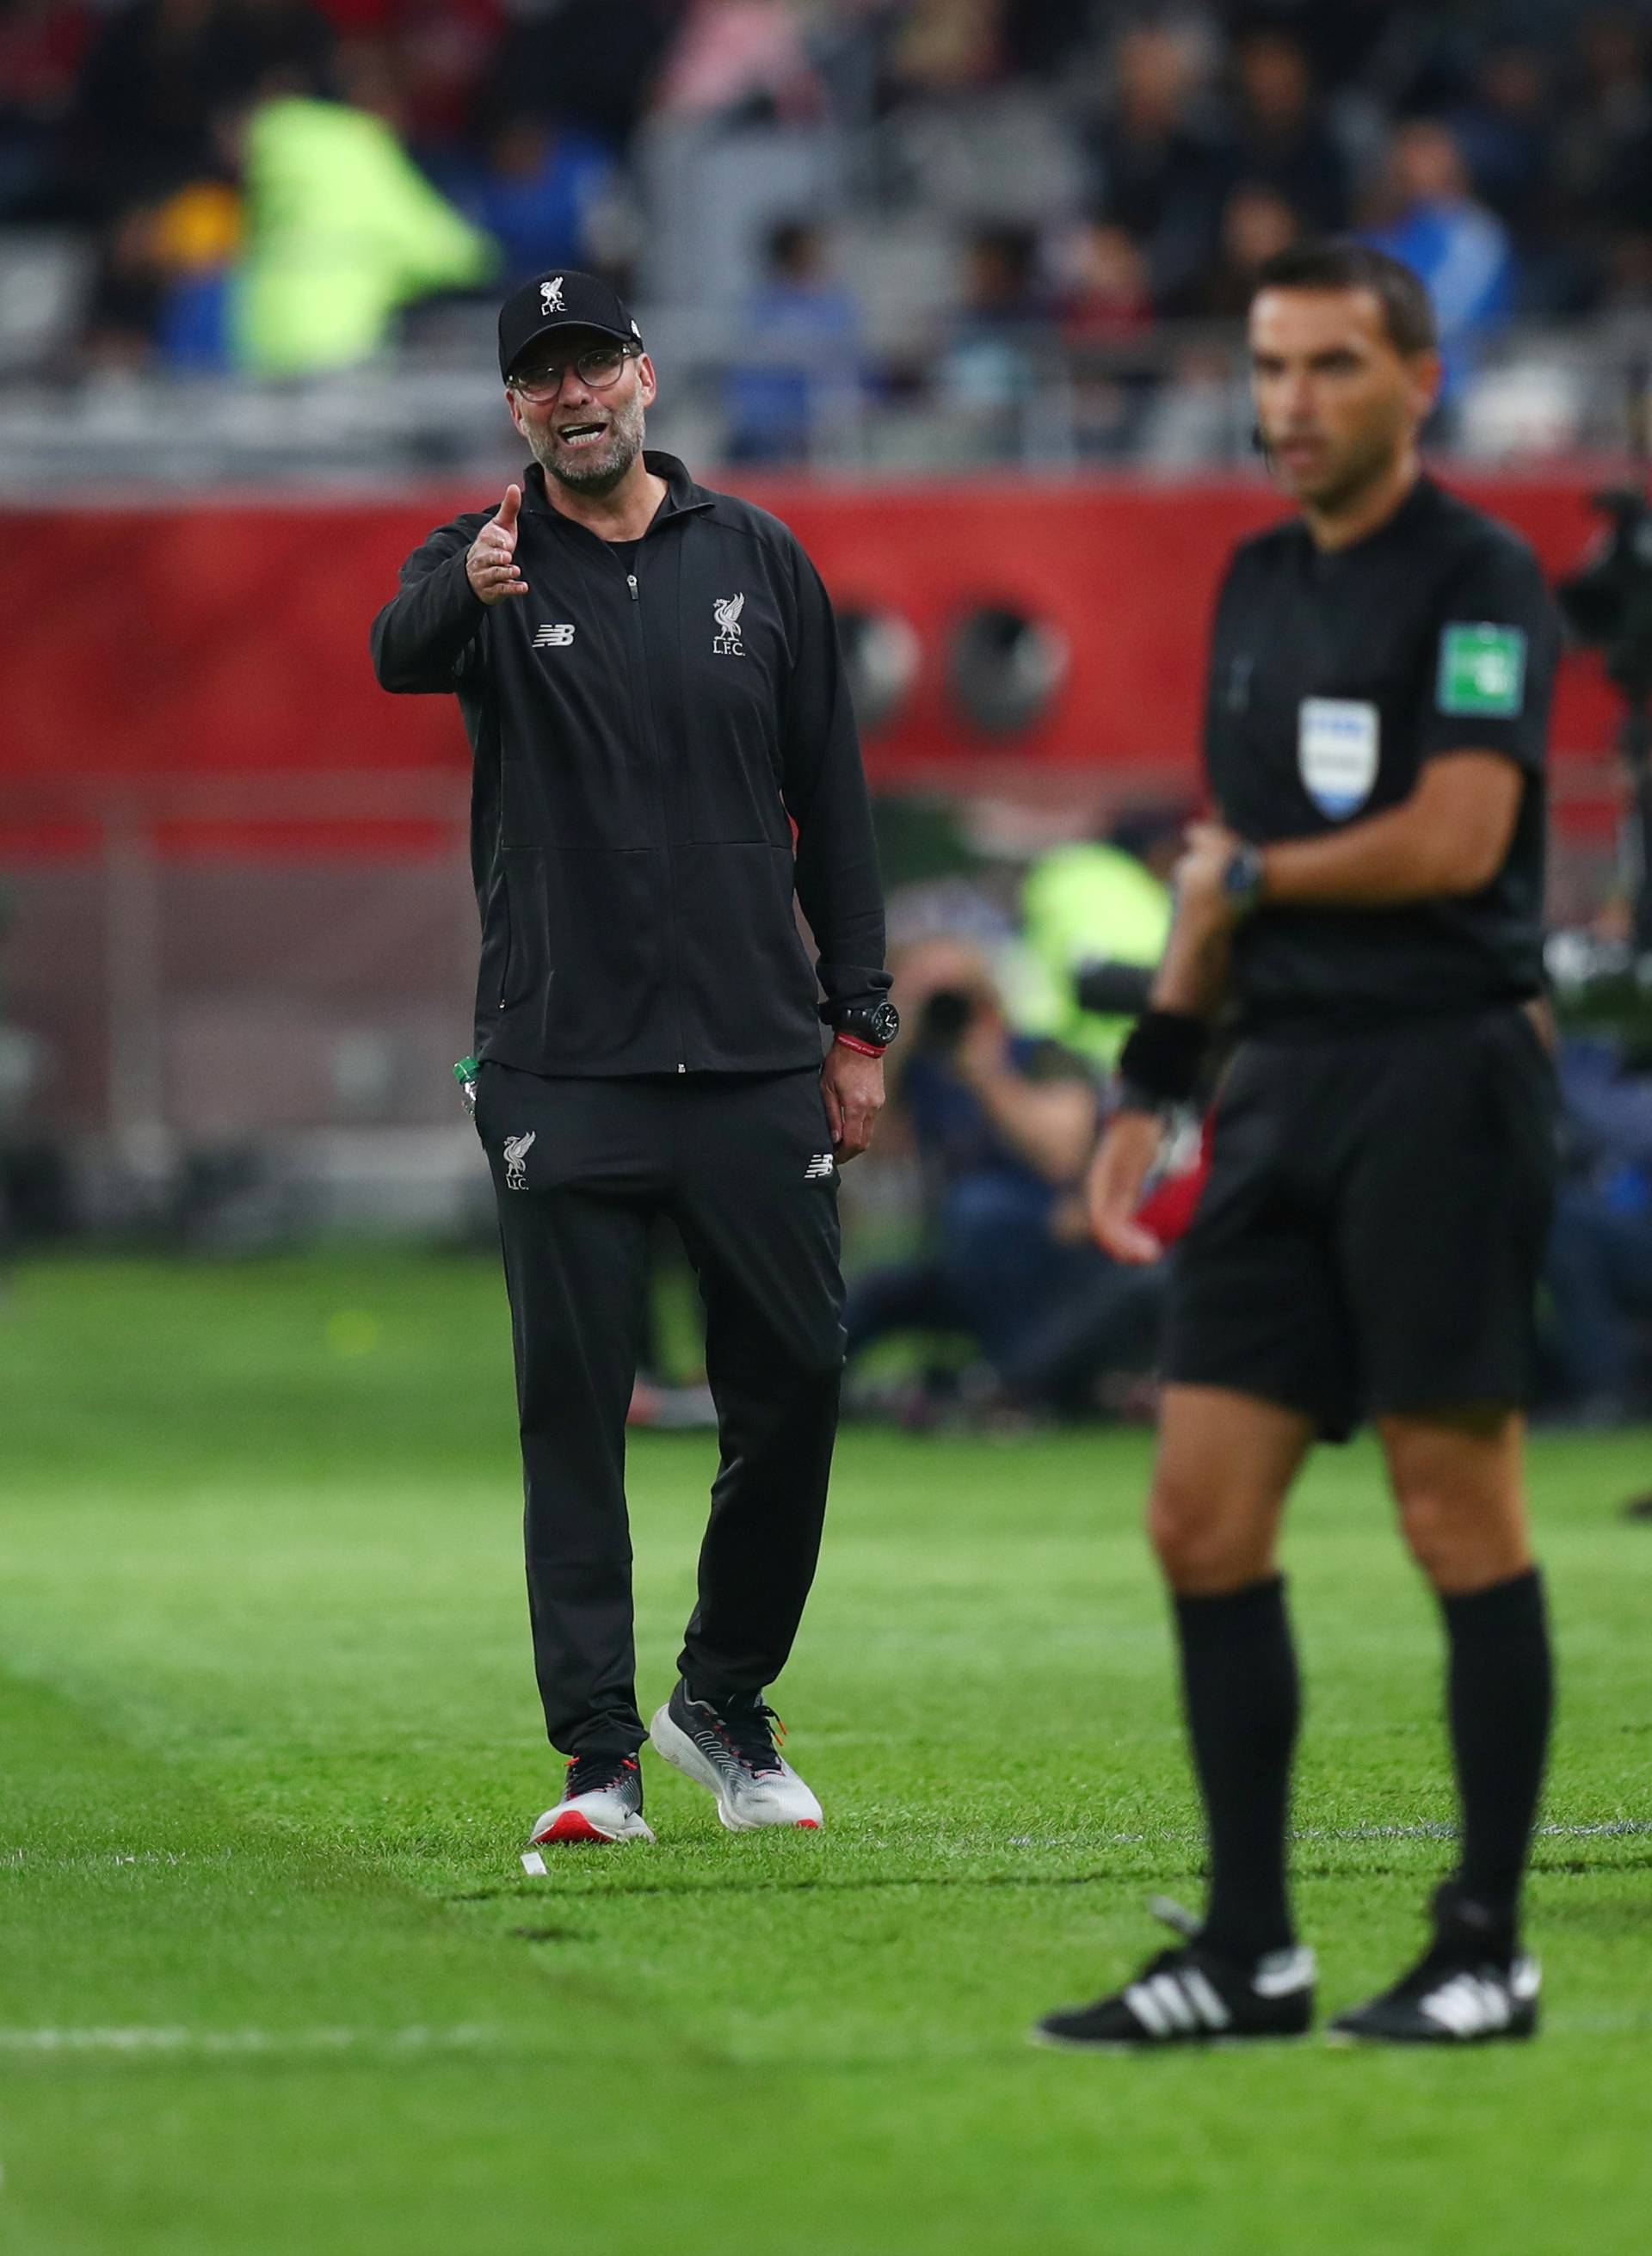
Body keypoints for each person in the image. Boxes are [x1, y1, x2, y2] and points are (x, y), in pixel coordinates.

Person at [1036, 240, 1562, 2050]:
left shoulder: (1482, 581)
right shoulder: (1255, 584)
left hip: (1442, 1076)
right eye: (1269, 367)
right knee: (1197, 1514)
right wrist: (1150, 1085)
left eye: (1332, 367)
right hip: (1280, 1094)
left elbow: (1457, 837)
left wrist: (1246, 878)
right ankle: (1249, 1952)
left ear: (1419, 379)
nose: (1290, 404)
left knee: (1452, 1505)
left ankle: (1485, 1942)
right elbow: (1218, 877)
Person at [370, 268, 896, 1849]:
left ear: (645, 376)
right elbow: (396, 650)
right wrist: (471, 586)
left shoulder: (757, 557)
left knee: (797, 1380)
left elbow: (838, 803)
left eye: (593, 362)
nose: (573, 394)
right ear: (515, 408)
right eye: (542, 377)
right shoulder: (485, 561)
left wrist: (857, 1021)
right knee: (572, 1405)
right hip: (562, 1059)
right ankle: (599, 1757)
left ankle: (723, 1702)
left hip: (751, 1050)